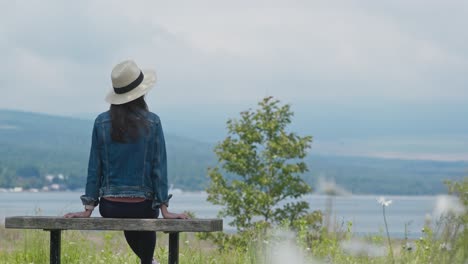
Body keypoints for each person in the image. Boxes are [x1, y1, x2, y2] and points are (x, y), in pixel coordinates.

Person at [64, 60, 189, 264]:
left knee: (127, 217)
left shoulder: (101, 122)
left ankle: (149, 262)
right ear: (141, 92)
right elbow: (159, 168)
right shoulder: (153, 122)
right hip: (144, 206)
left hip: (110, 207)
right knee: (143, 215)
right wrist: (165, 208)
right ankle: (148, 262)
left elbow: (95, 168)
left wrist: (88, 209)